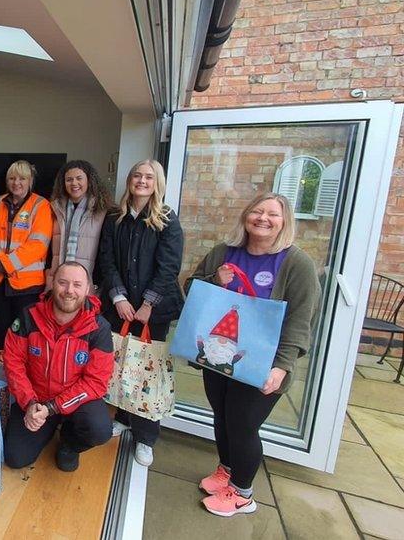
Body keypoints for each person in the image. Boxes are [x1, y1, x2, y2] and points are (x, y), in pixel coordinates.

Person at [186, 193, 320, 517]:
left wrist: (282, 367)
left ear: (284, 221)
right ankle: (227, 471)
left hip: (264, 363)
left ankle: (243, 495)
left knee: (243, 424)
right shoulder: (224, 252)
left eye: (272, 214)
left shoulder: (296, 264)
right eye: (257, 211)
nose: (263, 218)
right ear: (246, 216)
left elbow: (301, 321)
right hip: (219, 357)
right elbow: (191, 287)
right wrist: (214, 280)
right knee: (222, 416)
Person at [97, 159, 184, 467]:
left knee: (147, 371)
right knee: (120, 364)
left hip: (153, 312)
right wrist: (118, 296)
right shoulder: (116, 217)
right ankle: (122, 417)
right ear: (129, 180)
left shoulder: (167, 219)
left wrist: (148, 305)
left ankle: (145, 437)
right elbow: (106, 260)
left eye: (149, 177)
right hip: (120, 306)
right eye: (137, 175)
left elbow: (169, 267)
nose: (142, 181)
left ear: (157, 182)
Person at [2, 262, 113, 472]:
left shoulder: (99, 329)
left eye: (77, 285)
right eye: (63, 283)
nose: (69, 291)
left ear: (88, 289)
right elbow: (13, 362)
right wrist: (30, 404)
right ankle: (47, 425)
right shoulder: (28, 317)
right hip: (37, 398)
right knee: (15, 458)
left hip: (76, 400)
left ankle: (69, 443)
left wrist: (54, 407)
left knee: (99, 430)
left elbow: (95, 383)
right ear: (52, 282)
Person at [0, 160, 53, 349]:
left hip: (27, 286)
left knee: (24, 333)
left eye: (22, 178)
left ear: (30, 181)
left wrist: (7, 263)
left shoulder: (41, 205)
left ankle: (19, 373)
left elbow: (39, 244)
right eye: (12, 178)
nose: (16, 183)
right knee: (2, 329)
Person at [45, 160, 111, 289]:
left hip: (88, 282)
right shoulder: (54, 209)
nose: (74, 183)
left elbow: (106, 253)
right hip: (58, 282)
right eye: (69, 179)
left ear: (89, 181)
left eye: (79, 178)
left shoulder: (103, 210)